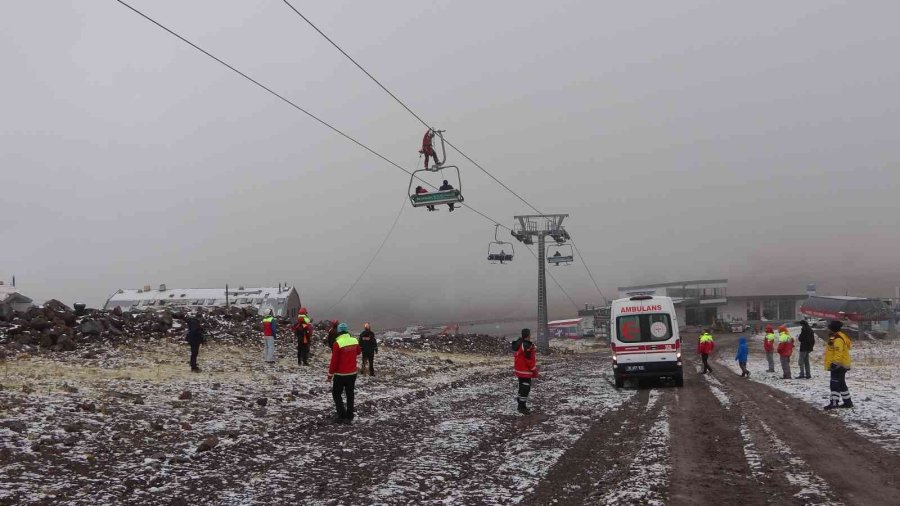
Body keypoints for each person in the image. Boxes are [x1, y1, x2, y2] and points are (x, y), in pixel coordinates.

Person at [327, 323, 360, 423]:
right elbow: (358, 352)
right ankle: (349, 416)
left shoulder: (337, 343)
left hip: (340, 374)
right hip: (352, 373)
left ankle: (341, 415)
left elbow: (334, 361)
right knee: (350, 394)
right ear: (347, 330)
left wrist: (330, 375)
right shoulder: (354, 340)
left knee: (336, 394)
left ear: (339, 331)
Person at [823, 320, 853, 410]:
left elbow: (838, 352)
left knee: (834, 384)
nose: (828, 329)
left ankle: (834, 403)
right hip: (841, 365)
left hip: (839, 365)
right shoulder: (835, 337)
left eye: (829, 328)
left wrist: (834, 363)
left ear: (832, 329)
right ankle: (848, 402)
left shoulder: (838, 339)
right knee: (841, 384)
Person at [512, 328, 539, 414]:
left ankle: (520, 404)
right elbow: (529, 360)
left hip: (519, 370)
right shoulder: (527, 345)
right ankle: (521, 407)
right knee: (525, 388)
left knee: (522, 387)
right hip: (525, 371)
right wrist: (534, 370)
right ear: (528, 335)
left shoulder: (519, 343)